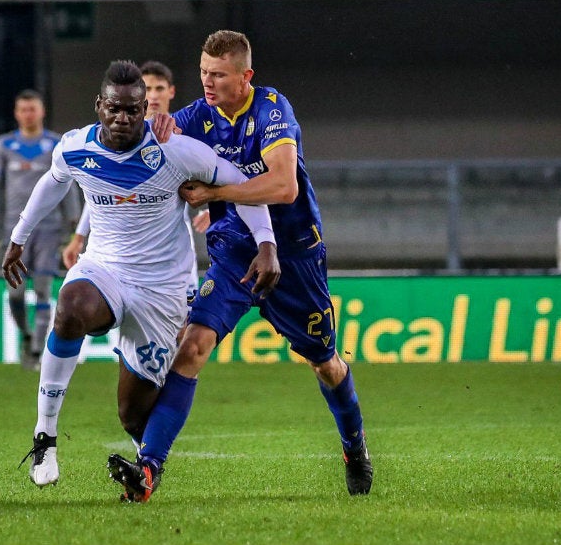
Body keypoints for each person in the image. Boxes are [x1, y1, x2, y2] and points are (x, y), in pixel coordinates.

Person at [107, 30, 374, 501]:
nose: (207, 83)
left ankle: (354, 446)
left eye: (219, 75)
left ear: (246, 76)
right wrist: (151, 126)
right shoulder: (196, 117)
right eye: (203, 73)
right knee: (192, 346)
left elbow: (283, 187)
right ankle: (148, 470)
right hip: (234, 251)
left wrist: (214, 193)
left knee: (326, 364)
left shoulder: (272, 110)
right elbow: (141, 146)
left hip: (294, 254)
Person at [3, 61, 280, 494]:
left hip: (161, 290)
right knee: (70, 307)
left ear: (145, 109)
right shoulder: (75, 147)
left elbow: (238, 183)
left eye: (134, 110)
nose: (123, 118)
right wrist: (19, 237)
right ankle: (45, 436)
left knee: (133, 414)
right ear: (100, 106)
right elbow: (53, 183)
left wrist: (267, 243)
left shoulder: (176, 151)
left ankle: (148, 465)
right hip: (105, 269)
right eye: (115, 108)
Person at [62, 60, 200, 307]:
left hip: (170, 245)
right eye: (149, 88)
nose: (155, 95)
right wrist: (80, 236)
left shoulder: (184, 133)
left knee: (186, 320)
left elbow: (217, 173)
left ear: (171, 91)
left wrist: (216, 204)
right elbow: (100, 191)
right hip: (121, 250)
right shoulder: (117, 136)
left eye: (160, 88)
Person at [0, 90, 79, 370]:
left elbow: (68, 184)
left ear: (42, 111)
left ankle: (37, 352)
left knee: (42, 289)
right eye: (23, 109)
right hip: (15, 229)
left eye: (32, 109)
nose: (28, 114)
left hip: (48, 228)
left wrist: (73, 226)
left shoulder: (55, 144)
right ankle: (26, 335)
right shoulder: (4, 145)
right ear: (16, 113)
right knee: (15, 293)